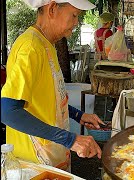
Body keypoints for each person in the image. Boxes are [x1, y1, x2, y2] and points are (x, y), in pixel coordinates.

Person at [1, 0, 107, 172]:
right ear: (52, 9)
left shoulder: (46, 44)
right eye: (74, 15)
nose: (76, 23)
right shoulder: (30, 47)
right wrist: (70, 140)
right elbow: (7, 111)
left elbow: (49, 99)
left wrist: (78, 115)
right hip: (33, 163)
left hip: (52, 157)